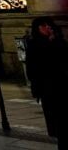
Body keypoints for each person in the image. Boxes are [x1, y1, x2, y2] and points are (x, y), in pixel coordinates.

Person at [26, 16, 68, 149]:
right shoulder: (35, 45)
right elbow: (33, 69)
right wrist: (36, 90)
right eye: (43, 26)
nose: (47, 28)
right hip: (49, 89)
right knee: (59, 123)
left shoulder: (59, 41)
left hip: (64, 86)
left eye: (48, 25)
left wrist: (55, 41)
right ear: (38, 29)